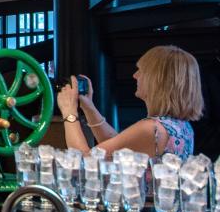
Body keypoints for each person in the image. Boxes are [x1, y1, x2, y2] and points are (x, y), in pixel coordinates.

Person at [57, 45, 203, 158]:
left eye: (141, 70)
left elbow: (83, 160)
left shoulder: (151, 129)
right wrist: (89, 107)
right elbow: (118, 144)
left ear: (157, 79)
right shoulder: (181, 127)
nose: (135, 75)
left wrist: (69, 112)